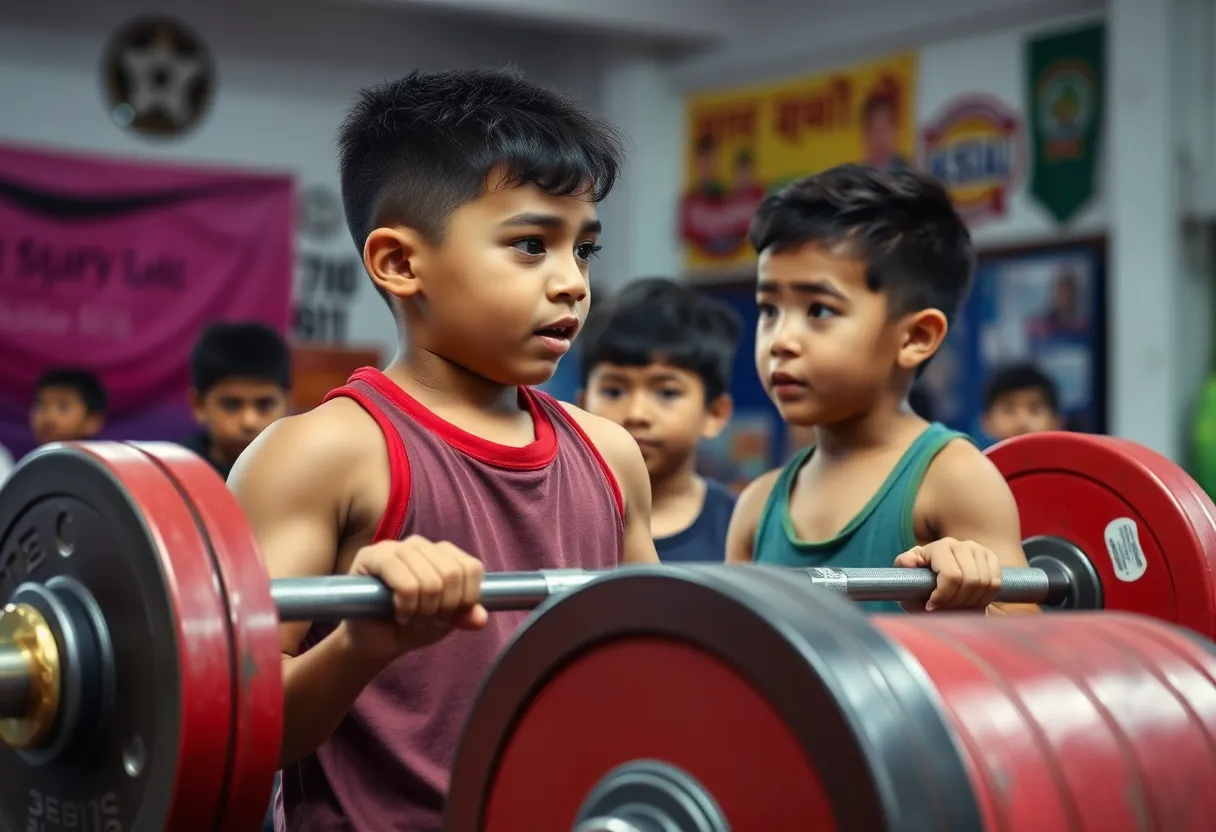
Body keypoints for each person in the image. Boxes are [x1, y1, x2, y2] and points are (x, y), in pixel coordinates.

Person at [227, 68, 657, 831]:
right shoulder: (320, 455)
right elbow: (236, 734)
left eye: (583, 249)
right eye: (531, 244)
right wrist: (361, 645)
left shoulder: (611, 454)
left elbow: (655, 671)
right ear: (399, 263)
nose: (572, 284)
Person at [725, 164, 1039, 616]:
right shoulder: (755, 509)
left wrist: (969, 608)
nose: (780, 340)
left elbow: (1029, 653)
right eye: (769, 309)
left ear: (915, 337)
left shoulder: (955, 480)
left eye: (819, 309)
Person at [579, 277, 740, 562]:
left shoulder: (741, 529)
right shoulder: (556, 520)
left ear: (714, 413)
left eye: (666, 392)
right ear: (580, 407)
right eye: (614, 391)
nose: (636, 414)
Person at [182, 322, 292, 480]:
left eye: (265, 404)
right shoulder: (174, 478)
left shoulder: (311, 478)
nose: (249, 422)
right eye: (232, 405)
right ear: (199, 405)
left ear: (287, 404)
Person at [981, 362, 1063, 442]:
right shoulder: (974, 455)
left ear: (1055, 421)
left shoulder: (1073, 456)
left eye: (1034, 410)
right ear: (987, 421)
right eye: (1008, 410)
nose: (1022, 421)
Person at [29, 367, 107, 446]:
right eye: (41, 406)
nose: (49, 417)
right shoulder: (29, 457)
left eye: (63, 407)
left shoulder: (100, 457)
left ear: (92, 422)